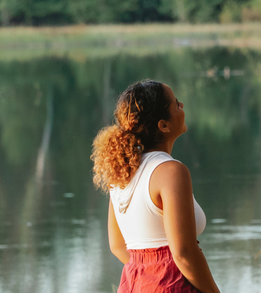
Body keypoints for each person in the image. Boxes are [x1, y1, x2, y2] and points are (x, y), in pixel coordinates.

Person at [92, 80, 220, 293]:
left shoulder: (122, 172)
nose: (183, 106)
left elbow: (117, 246)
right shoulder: (171, 171)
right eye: (177, 104)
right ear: (163, 125)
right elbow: (184, 253)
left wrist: (148, 271)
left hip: (135, 284)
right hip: (172, 285)